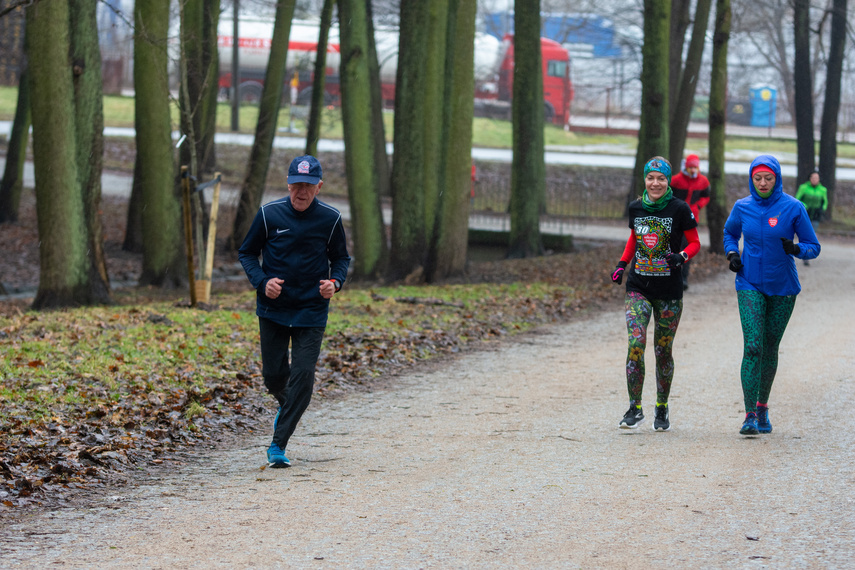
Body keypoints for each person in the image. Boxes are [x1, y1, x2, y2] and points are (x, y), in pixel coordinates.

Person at [238, 155, 351, 467]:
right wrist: (262, 282)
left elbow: (341, 259)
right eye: (297, 185)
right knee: (274, 377)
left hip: (312, 309)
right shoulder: (268, 214)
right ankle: (292, 406)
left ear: (318, 187)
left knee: (302, 374)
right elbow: (247, 252)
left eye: (309, 186)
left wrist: (335, 282)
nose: (302, 191)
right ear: (288, 184)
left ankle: (278, 446)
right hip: (273, 308)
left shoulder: (330, 219)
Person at [723, 155, 820, 436]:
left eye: (768, 178)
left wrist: (797, 249)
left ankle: (763, 406)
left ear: (776, 178)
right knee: (753, 346)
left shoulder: (794, 207)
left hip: (783, 288)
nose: (763, 183)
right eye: (758, 178)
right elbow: (730, 233)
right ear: (751, 179)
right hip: (749, 282)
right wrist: (732, 253)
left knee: (769, 347)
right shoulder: (742, 207)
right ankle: (749, 415)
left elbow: (814, 245)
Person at [611, 157, 701, 431]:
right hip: (639, 288)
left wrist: (682, 256)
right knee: (635, 345)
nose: (656, 183)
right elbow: (634, 239)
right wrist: (621, 265)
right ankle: (634, 407)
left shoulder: (680, 209)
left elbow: (696, 242)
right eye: (651, 178)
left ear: (668, 180)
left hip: (669, 292)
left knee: (663, 352)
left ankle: (661, 406)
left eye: (661, 178)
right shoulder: (636, 208)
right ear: (645, 179)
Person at [669, 154, 710, 290]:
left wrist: (697, 206)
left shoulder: (703, 181)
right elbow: (668, 195)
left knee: (687, 249)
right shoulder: (676, 180)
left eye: (695, 167)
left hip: (691, 219)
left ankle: (683, 278)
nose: (693, 170)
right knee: (674, 247)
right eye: (691, 167)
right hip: (675, 220)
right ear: (686, 167)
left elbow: (706, 196)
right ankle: (671, 276)